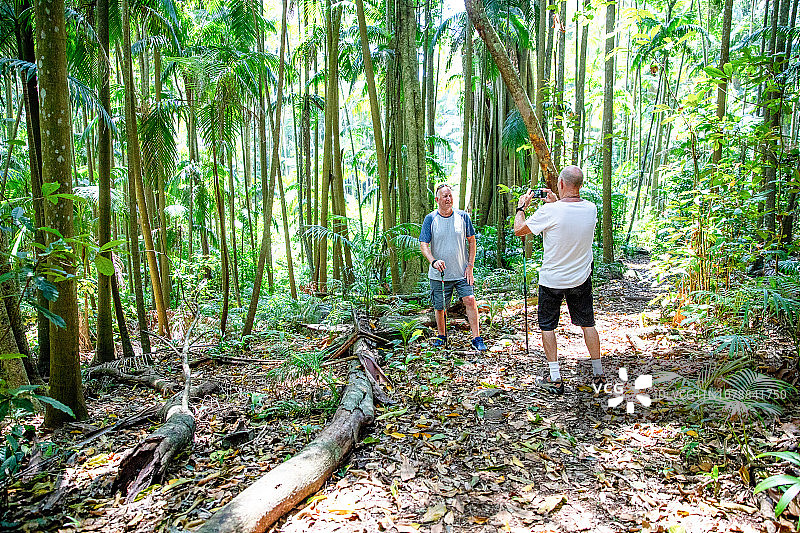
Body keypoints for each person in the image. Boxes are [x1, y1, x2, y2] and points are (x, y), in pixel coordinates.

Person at [513, 166, 605, 394]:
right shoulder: (591, 209)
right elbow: (568, 218)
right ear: (580, 185)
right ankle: (598, 374)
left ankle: (555, 377)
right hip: (580, 279)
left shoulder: (550, 212)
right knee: (588, 324)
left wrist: (521, 208)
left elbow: (519, 230)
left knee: (547, 326)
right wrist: (554, 203)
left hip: (552, 280)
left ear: (561, 184)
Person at [419, 184, 487, 351]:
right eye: (444, 196)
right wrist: (433, 261)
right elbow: (423, 244)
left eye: (450, 195)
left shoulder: (463, 217)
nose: (448, 199)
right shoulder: (430, 219)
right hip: (439, 273)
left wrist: (470, 265)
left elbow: (472, 241)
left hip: (462, 271)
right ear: (437, 200)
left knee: (470, 300)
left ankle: (476, 338)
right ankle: (441, 336)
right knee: (440, 306)